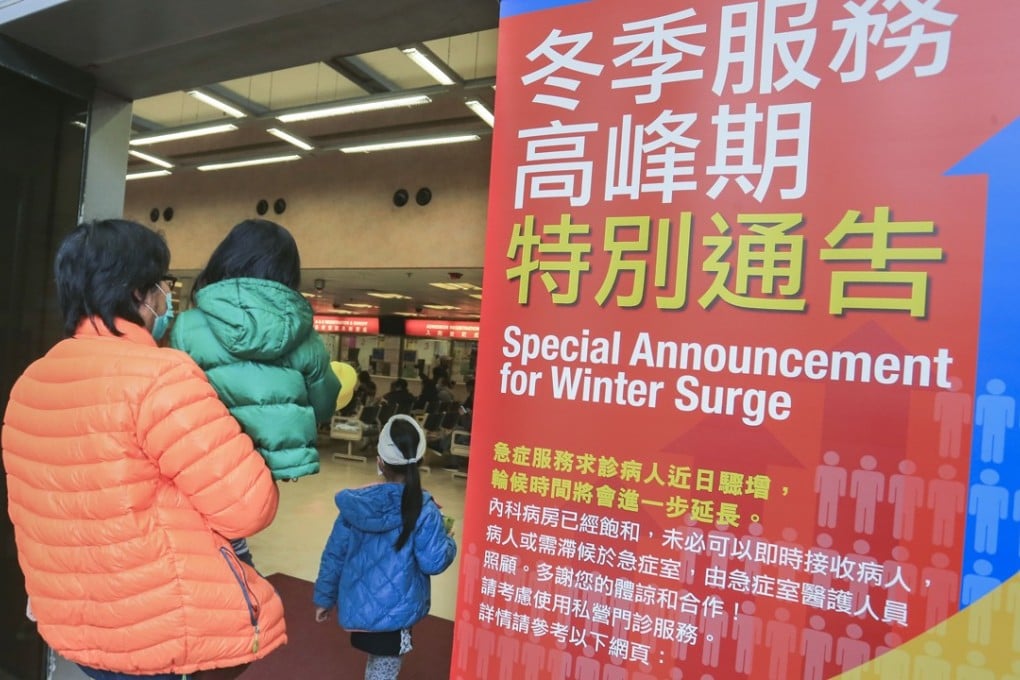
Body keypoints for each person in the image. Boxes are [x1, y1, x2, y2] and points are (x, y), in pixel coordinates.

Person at [2, 219, 286, 679]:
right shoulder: (160, 376)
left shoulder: (31, 381)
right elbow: (248, 509)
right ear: (138, 293)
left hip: (78, 626)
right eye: (162, 285)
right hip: (159, 635)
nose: (166, 298)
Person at [169, 218, 340, 567]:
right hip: (257, 476)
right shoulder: (306, 337)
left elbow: (173, 405)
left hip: (199, 468)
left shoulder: (188, 325)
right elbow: (322, 406)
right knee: (235, 538)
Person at [313, 414, 457, 679]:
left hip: (361, 607)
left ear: (379, 462)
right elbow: (433, 562)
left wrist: (324, 598)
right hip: (396, 612)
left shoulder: (355, 504)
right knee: (385, 669)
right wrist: (448, 539)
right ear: (420, 462)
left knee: (378, 664)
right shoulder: (424, 509)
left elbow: (334, 555)